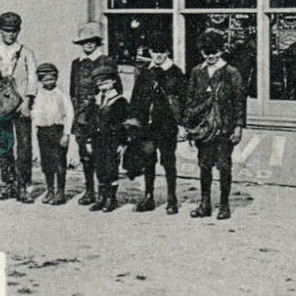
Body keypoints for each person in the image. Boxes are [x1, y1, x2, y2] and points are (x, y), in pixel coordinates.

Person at [182, 29, 247, 220]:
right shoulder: (197, 72)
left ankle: (224, 205)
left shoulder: (231, 73)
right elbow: (190, 100)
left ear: (221, 51)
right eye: (206, 52)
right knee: (204, 166)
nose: (210, 56)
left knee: (224, 166)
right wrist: (187, 124)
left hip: (224, 127)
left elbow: (239, 101)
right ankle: (205, 204)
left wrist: (238, 126)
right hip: (203, 128)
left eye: (214, 52)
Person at [128, 43, 185, 213]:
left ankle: (171, 199)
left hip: (167, 126)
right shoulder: (145, 73)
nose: (158, 55)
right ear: (150, 52)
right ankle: (148, 197)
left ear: (167, 51)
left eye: (162, 51)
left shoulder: (175, 72)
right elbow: (135, 98)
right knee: (148, 160)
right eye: (154, 51)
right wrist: (133, 122)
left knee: (168, 161)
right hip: (147, 126)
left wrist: (182, 124)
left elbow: (183, 100)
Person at [0, 12, 37, 203]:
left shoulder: (26, 52)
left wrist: (27, 101)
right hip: (1, 104)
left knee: (24, 146)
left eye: (13, 31)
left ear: (18, 31)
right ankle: (8, 183)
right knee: (4, 145)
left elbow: (32, 77)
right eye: (6, 31)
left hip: (21, 105)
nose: (10, 35)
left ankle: (23, 185)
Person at [68, 21, 116, 205]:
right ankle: (89, 191)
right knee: (85, 155)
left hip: (101, 115)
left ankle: (106, 193)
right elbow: (74, 90)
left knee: (103, 155)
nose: (88, 44)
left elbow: (115, 88)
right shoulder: (76, 64)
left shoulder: (106, 61)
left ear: (97, 42)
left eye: (92, 41)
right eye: (85, 41)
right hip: (82, 117)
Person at [84, 61, 131, 212]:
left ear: (114, 81)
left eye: (106, 81)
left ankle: (112, 198)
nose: (102, 84)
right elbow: (90, 122)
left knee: (111, 168)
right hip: (98, 141)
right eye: (99, 82)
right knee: (100, 168)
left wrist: (122, 143)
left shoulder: (119, 101)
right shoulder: (95, 101)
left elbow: (123, 124)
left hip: (112, 141)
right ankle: (101, 197)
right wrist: (89, 140)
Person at [31, 62, 73, 205]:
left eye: (52, 79)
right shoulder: (38, 94)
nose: (49, 82)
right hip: (43, 131)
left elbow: (69, 114)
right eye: (45, 80)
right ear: (40, 80)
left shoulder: (61, 94)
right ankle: (50, 189)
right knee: (47, 162)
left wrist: (66, 134)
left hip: (58, 130)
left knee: (60, 162)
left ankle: (60, 191)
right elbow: (34, 111)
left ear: (56, 78)